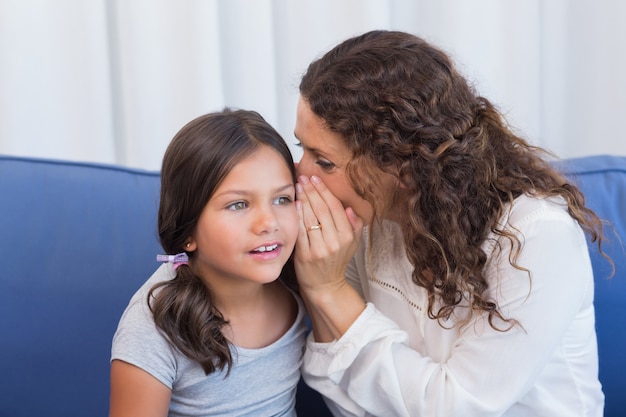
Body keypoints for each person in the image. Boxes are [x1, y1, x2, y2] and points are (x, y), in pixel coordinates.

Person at [292, 30, 608, 416]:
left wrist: (328, 290)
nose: (299, 177)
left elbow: (455, 408)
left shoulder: (535, 236)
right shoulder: (363, 221)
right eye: (300, 149)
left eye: (323, 161)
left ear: (404, 167)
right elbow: (335, 385)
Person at [110, 109, 307, 417]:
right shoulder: (153, 329)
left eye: (282, 199)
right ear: (187, 231)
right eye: (238, 204)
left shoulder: (300, 276)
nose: (269, 222)